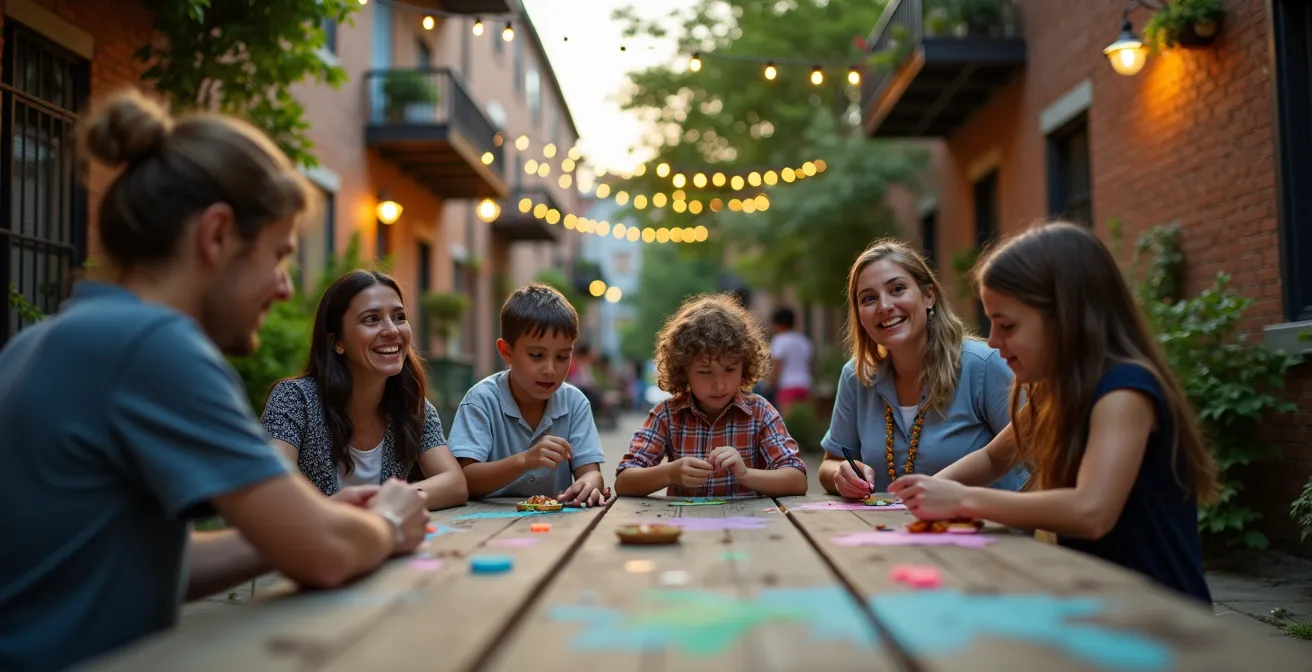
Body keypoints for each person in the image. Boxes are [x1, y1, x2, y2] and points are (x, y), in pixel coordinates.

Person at [0, 89, 427, 671]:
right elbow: (326, 556)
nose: (282, 288)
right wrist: (386, 522)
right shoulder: (155, 346)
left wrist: (307, 526)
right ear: (217, 235)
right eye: (278, 255)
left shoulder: (48, 340)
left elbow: (151, 567)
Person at [889, 222, 1220, 604]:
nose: (994, 342)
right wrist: (916, 498)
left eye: (1007, 325)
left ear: (1066, 317)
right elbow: (994, 456)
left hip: (1162, 613)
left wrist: (961, 501)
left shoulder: (1125, 390)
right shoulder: (1054, 392)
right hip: (1097, 597)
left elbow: (1091, 511)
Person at [818, 238, 1027, 497]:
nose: (884, 306)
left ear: (929, 295)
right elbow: (830, 463)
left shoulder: (985, 366)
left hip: (983, 532)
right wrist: (842, 474)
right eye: (869, 298)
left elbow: (1034, 459)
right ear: (859, 314)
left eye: (897, 289)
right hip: (887, 533)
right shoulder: (856, 375)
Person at [261, 270, 467, 510]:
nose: (392, 330)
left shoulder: (411, 405)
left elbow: (455, 484)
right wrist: (348, 511)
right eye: (371, 319)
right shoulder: (294, 400)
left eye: (399, 316)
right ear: (337, 342)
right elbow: (268, 494)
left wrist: (380, 503)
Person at [614, 293, 808, 498]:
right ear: (683, 370)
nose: (719, 384)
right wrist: (669, 473)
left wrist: (745, 474)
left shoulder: (760, 412)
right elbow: (624, 481)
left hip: (749, 526)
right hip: (685, 524)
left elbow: (797, 479)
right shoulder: (667, 415)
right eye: (705, 372)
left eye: (730, 369)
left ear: (744, 365)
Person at [447, 283, 609, 506]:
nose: (550, 369)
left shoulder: (575, 403)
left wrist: (589, 484)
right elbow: (463, 479)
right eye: (536, 355)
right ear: (507, 352)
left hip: (555, 526)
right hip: (482, 526)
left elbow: (591, 473)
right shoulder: (481, 401)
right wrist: (524, 461)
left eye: (562, 357)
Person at [767, 306, 814, 416]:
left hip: (787, 386)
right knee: (803, 421)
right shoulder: (804, 341)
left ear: (779, 324)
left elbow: (777, 366)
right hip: (805, 385)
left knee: (787, 425)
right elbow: (811, 365)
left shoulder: (779, 340)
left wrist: (770, 384)